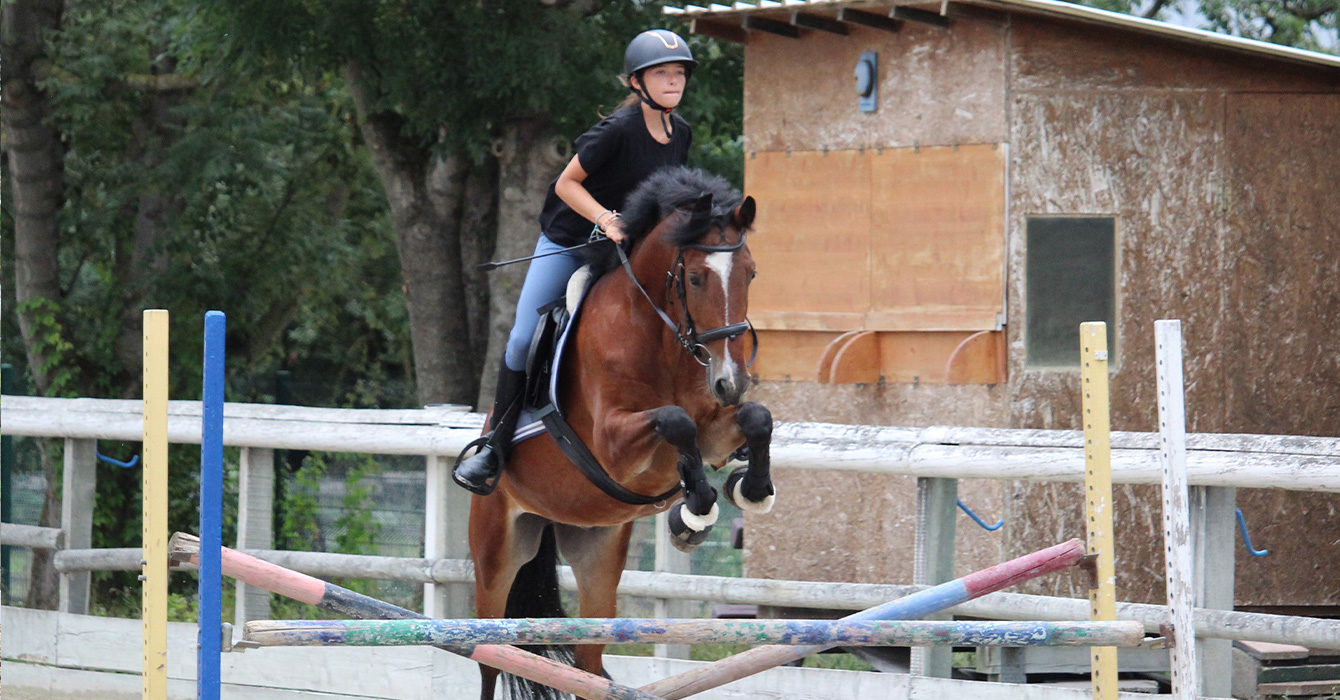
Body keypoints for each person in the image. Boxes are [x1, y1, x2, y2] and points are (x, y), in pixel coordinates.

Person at [453, 29, 697, 495]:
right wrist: (606, 218)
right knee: (525, 335)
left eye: (679, 73)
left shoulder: (679, 132)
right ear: (636, 83)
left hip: (630, 250)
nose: (673, 82)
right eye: (662, 73)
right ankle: (494, 447)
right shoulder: (617, 131)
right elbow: (566, 184)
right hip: (572, 240)